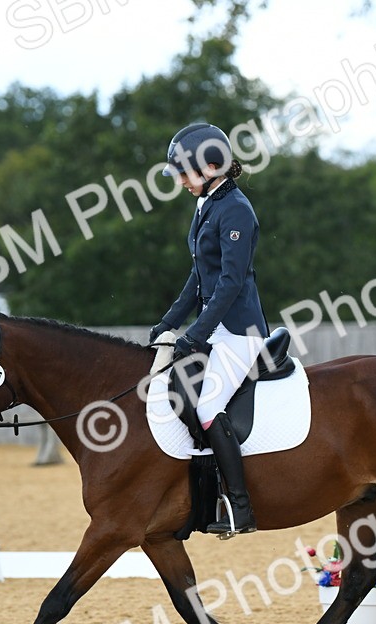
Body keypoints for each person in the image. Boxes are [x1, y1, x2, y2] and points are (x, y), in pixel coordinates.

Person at [149, 122, 268, 536]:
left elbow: (229, 283)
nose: (180, 181)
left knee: (206, 405)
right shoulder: (207, 204)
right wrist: (168, 322)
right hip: (215, 327)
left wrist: (195, 334)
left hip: (239, 330)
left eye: (184, 172)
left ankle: (241, 509)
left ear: (212, 167)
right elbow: (199, 277)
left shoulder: (236, 209)